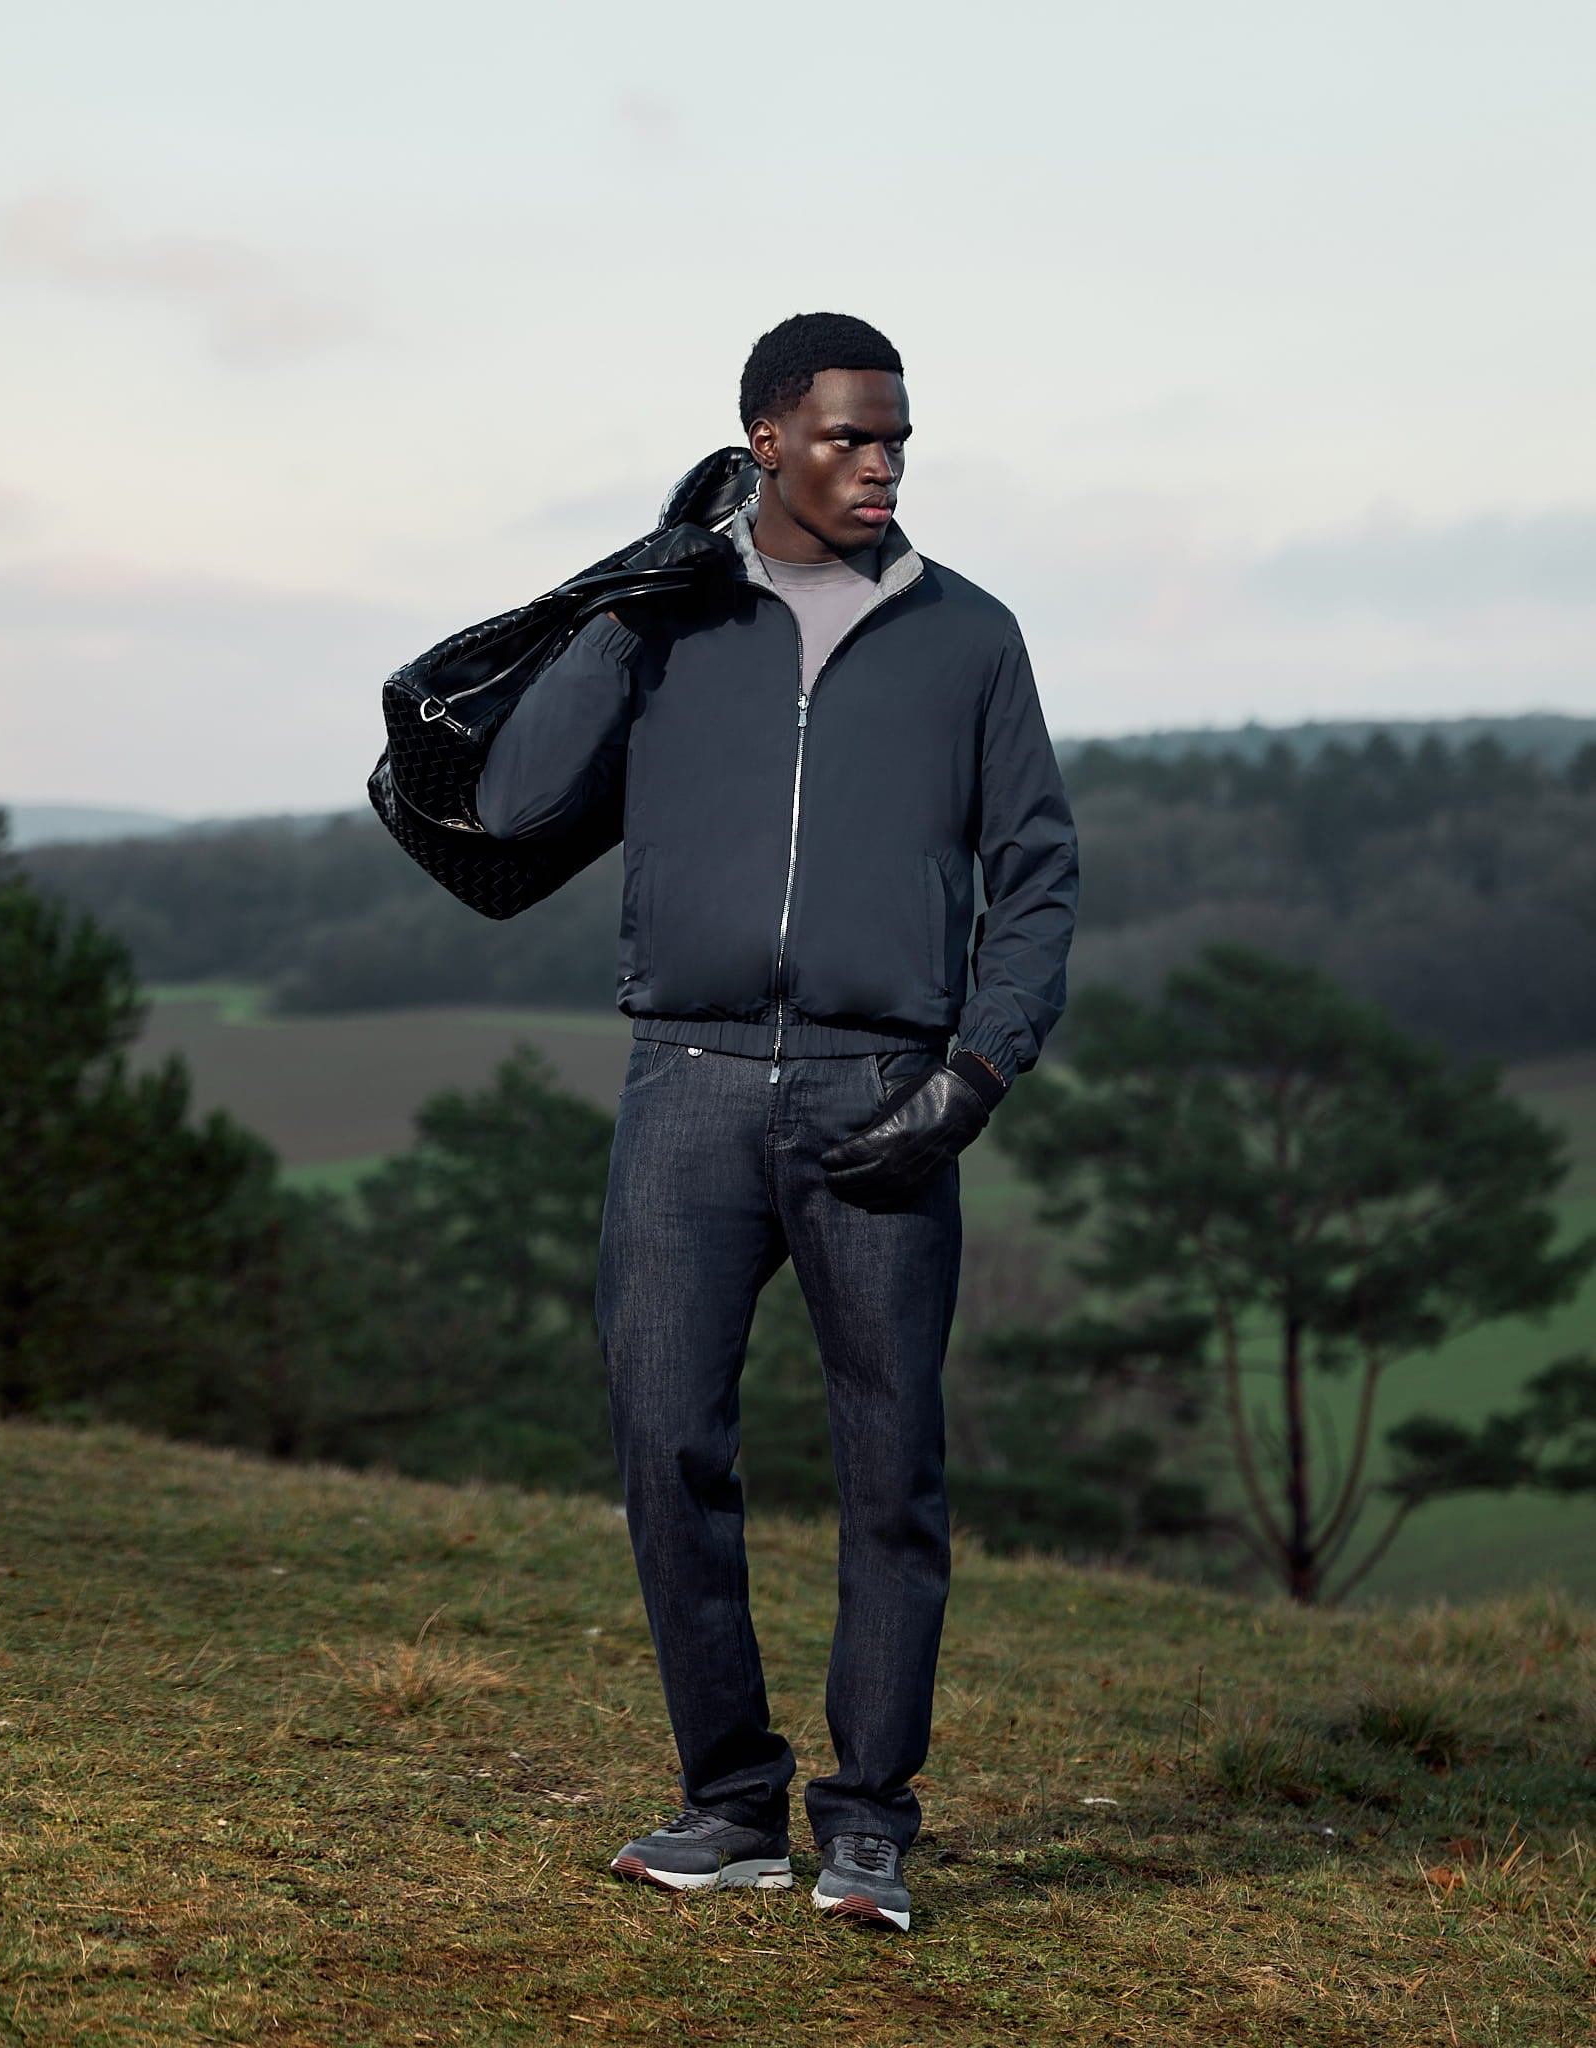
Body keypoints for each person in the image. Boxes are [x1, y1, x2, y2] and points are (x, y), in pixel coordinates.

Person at [476, 312, 1078, 1931]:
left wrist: (978, 1071)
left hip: (887, 1090)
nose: (877, 466)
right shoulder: (673, 624)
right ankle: (727, 1802)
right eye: (844, 438)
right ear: (760, 440)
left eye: (895, 441)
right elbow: (521, 800)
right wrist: (627, 603)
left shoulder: (969, 636)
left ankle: (868, 1819)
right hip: (683, 1080)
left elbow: (1034, 871)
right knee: (667, 1440)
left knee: (892, 1466)